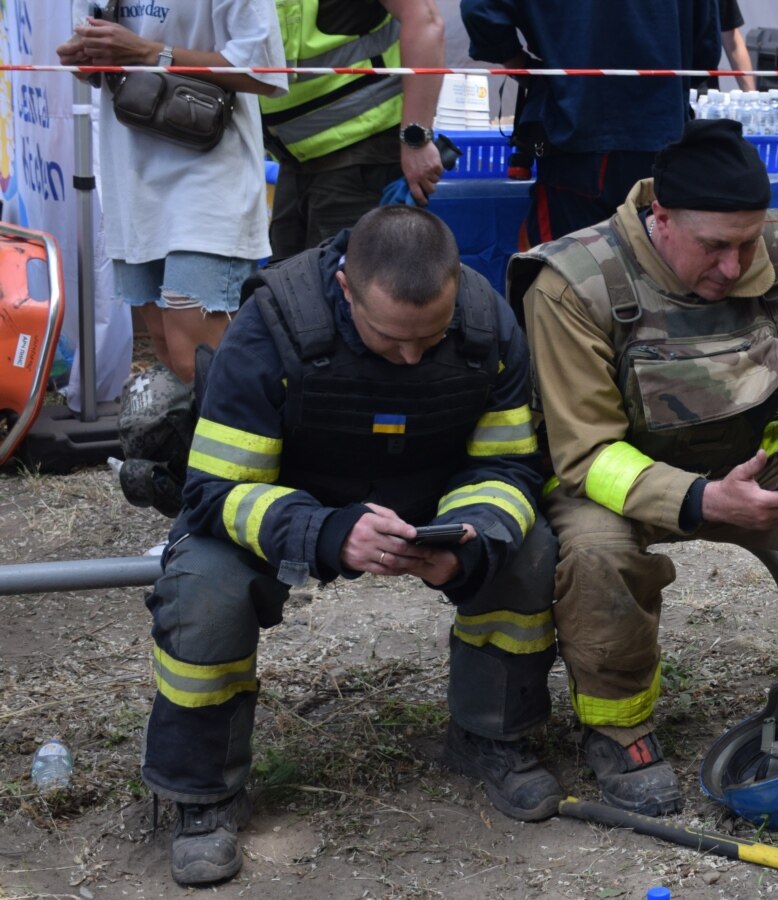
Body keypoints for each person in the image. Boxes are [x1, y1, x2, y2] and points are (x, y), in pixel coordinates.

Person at [508, 119, 778, 816]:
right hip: (619, 484)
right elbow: (585, 451)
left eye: (747, 243)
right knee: (591, 547)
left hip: (757, 466)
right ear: (661, 219)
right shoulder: (572, 285)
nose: (736, 267)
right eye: (714, 247)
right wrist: (706, 501)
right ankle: (618, 726)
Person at [141, 206, 559, 886]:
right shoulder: (270, 326)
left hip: (428, 500)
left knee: (528, 548)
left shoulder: (487, 323)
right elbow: (214, 493)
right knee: (204, 587)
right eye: (393, 340)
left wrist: (470, 539)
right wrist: (327, 531)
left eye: (431, 337)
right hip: (287, 501)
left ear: (455, 286)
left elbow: (508, 468)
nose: (414, 357)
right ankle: (202, 794)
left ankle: (492, 734)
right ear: (344, 289)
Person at [56, 1, 286, 384]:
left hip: (209, 181)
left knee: (196, 361)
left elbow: (266, 73)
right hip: (131, 179)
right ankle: (187, 444)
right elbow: (102, 65)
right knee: (167, 350)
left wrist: (149, 51)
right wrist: (85, 58)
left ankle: (251, 442)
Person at [460, 0, 720, 247]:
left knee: (568, 276)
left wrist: (522, 65)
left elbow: (479, 10)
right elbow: (705, 52)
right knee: (653, 276)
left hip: (577, 137)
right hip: (654, 136)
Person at [262, 0, 447, 260]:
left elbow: (426, 22)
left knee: (347, 289)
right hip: (296, 163)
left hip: (361, 159)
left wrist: (416, 139)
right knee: (287, 289)